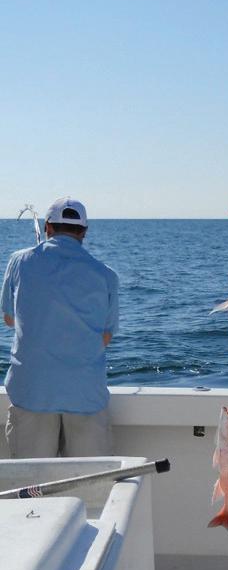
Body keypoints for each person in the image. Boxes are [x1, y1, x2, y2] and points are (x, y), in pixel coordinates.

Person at [1, 196, 119, 458]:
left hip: (32, 392)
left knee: (32, 480)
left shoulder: (18, 262)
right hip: (85, 395)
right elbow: (106, 336)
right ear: (84, 232)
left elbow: (9, 319)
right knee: (90, 479)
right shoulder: (107, 275)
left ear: (47, 227)